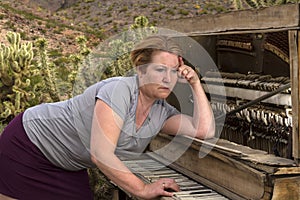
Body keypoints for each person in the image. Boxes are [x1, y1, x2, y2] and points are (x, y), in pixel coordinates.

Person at [0, 35, 215, 200]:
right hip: (29, 145)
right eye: (160, 69)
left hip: (68, 164)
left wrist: (196, 83)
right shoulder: (119, 90)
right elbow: (101, 154)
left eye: (174, 71)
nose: (168, 79)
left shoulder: (161, 111)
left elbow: (204, 130)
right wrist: (142, 189)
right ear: (141, 71)